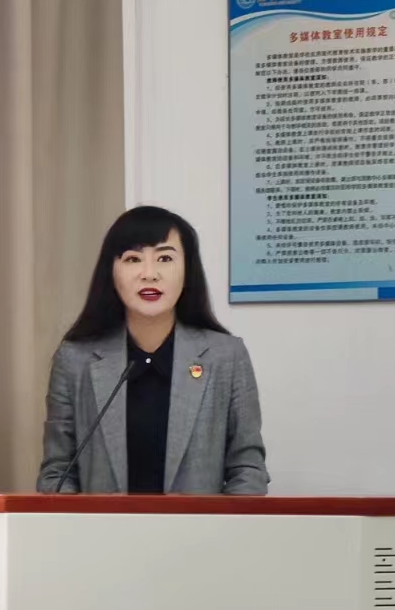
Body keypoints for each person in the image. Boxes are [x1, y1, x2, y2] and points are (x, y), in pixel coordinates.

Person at [37, 206, 268, 495]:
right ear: (111, 272)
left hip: (199, 526)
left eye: (165, 258)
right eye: (133, 259)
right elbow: (58, 472)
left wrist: (218, 523)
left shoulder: (226, 356)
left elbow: (247, 468)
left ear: (188, 270)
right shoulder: (75, 360)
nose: (149, 274)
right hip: (102, 525)